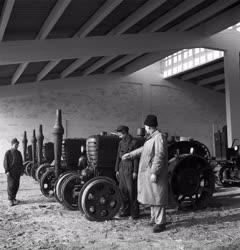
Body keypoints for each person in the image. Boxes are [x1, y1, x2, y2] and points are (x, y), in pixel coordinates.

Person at [122, 115, 168, 233]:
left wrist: (154, 172)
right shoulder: (151, 138)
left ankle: (161, 223)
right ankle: (154, 219)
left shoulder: (159, 137)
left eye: (145, 126)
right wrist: (130, 155)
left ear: (148, 126)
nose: (145, 128)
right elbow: (144, 149)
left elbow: (159, 155)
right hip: (150, 172)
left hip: (155, 173)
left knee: (158, 197)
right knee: (152, 196)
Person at [115, 125, 139, 219]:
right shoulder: (121, 142)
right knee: (123, 191)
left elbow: (136, 158)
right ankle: (125, 210)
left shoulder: (134, 142)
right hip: (122, 168)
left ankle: (134, 213)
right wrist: (117, 169)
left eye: (119, 133)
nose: (118, 135)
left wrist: (135, 171)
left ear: (124, 132)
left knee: (131, 191)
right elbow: (118, 156)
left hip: (130, 168)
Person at [4, 138, 24, 206]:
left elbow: (21, 162)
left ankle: (14, 198)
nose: (17, 146)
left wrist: (22, 171)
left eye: (17, 145)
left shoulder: (19, 153)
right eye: (16, 144)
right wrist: (7, 171)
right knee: (11, 185)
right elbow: (5, 162)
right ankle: (10, 200)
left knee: (16, 185)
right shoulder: (8, 153)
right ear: (12, 144)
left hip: (17, 172)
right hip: (10, 172)